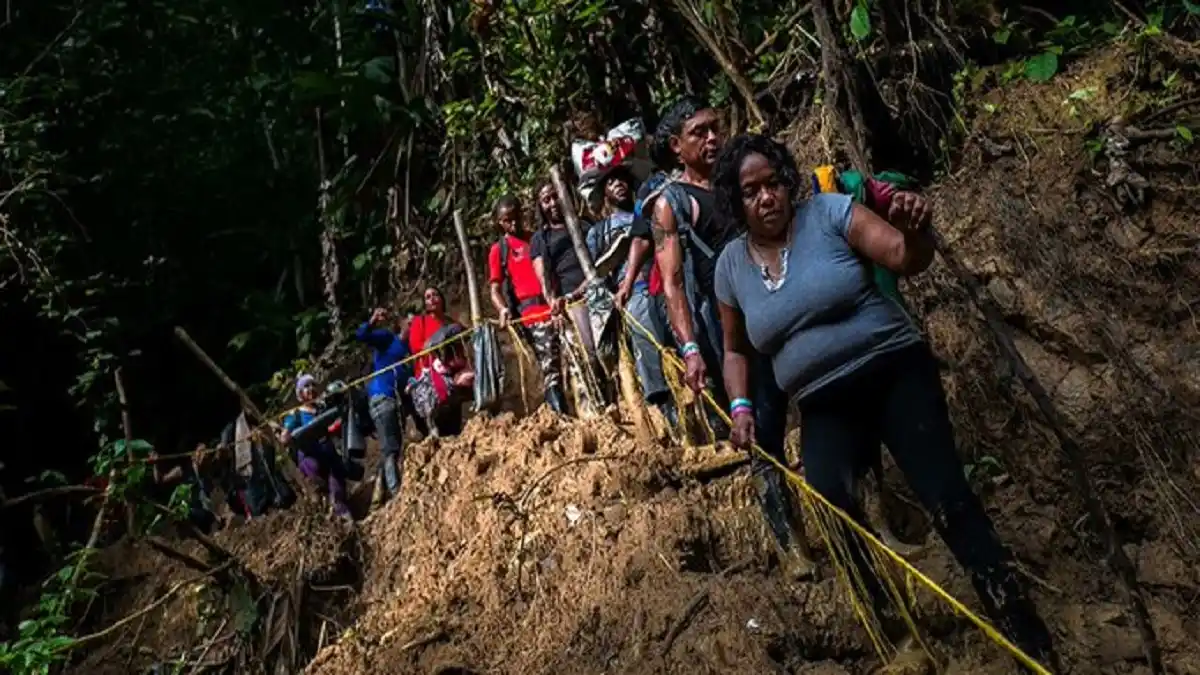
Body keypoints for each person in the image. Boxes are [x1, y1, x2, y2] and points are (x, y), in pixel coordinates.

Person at [711, 133, 1057, 670]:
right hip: (823, 402)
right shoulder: (731, 266)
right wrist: (740, 407)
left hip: (894, 371)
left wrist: (917, 230)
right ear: (736, 201)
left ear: (788, 181)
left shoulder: (828, 213)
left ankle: (1026, 634)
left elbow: (901, 255)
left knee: (947, 498)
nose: (767, 197)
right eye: (751, 190)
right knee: (832, 502)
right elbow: (735, 350)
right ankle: (893, 629)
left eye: (774, 183)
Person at [647, 97, 804, 578]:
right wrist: (690, 347)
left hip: (777, 303)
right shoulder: (670, 205)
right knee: (758, 428)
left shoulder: (741, 182)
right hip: (728, 327)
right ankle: (790, 543)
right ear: (677, 147)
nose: (712, 138)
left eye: (715, 128)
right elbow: (672, 282)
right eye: (699, 132)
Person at [585, 167, 677, 426]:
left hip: (667, 283)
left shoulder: (649, 209)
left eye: (623, 179)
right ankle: (667, 415)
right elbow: (594, 274)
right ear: (604, 192)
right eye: (611, 181)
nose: (619, 184)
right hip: (634, 293)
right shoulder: (598, 232)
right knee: (651, 354)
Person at [487, 194, 568, 414]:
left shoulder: (536, 238)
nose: (513, 223)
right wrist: (503, 309)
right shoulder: (500, 250)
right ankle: (562, 417)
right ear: (499, 222)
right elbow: (494, 288)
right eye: (507, 220)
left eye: (516, 217)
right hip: (531, 314)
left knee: (569, 361)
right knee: (549, 365)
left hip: (556, 306)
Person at [530, 180, 607, 409]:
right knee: (586, 355)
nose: (553, 203)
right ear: (540, 206)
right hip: (571, 301)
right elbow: (543, 277)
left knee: (607, 352)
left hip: (596, 291)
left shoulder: (583, 225)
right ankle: (592, 411)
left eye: (556, 197)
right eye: (546, 200)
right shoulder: (540, 239)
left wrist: (589, 284)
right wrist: (555, 303)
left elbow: (600, 260)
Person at [354, 309, 412, 506]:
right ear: (402, 324)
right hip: (382, 397)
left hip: (395, 401)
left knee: (393, 445)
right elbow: (361, 335)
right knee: (391, 447)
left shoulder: (408, 351)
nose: (412, 327)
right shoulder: (388, 339)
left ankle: (380, 491)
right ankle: (396, 492)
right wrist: (371, 321)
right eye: (409, 323)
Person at [280, 374, 351, 520]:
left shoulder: (323, 408)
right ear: (300, 393)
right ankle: (326, 519)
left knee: (337, 486)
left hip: (328, 454)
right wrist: (288, 437)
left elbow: (332, 426)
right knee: (320, 492)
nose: (310, 389)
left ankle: (343, 517)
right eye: (306, 386)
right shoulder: (296, 415)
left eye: (312, 385)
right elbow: (284, 437)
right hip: (310, 459)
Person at [405, 323, 475, 436]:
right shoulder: (444, 366)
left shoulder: (445, 366)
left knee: (452, 429)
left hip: (447, 401)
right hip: (442, 400)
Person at [405, 286, 457, 378]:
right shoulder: (419, 321)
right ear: (425, 303)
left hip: (452, 368)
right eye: (428, 297)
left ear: (442, 299)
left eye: (435, 295)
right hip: (427, 372)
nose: (432, 299)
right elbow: (415, 347)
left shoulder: (450, 323)